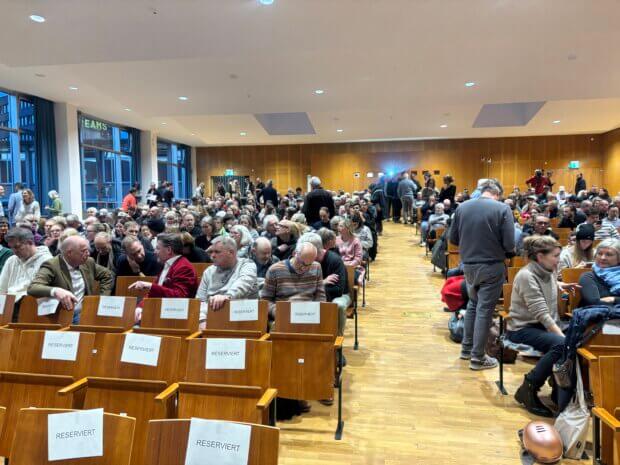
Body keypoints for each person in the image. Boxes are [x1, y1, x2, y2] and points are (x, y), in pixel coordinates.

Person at [507, 236, 578, 417]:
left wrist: (560, 284)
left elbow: (548, 282)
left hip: (542, 327)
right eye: (555, 256)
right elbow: (542, 314)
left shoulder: (549, 270)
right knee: (561, 344)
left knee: (580, 335)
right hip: (522, 328)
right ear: (540, 256)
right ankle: (528, 388)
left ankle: (559, 388)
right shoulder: (526, 276)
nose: (558, 259)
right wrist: (562, 337)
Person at [449, 179, 515, 370]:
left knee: (473, 305)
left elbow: (453, 239)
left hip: (468, 265)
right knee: (484, 310)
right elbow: (509, 243)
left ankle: (466, 349)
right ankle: (478, 358)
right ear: (497, 193)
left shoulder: (462, 207)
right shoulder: (503, 208)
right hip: (492, 265)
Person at [27, 235, 113, 323]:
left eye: (87, 250)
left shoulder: (88, 262)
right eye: (83, 251)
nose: (88, 253)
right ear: (69, 253)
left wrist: (102, 299)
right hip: (62, 315)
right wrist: (56, 291)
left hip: (84, 313)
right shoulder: (52, 265)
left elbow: (107, 274)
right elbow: (33, 287)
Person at [195, 236, 258, 326]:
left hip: (241, 317)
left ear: (231, 253)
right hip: (211, 319)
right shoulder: (208, 271)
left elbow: (243, 284)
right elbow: (200, 301)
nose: (212, 256)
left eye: (217, 252)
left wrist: (227, 296)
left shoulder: (247, 265)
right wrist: (202, 320)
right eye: (211, 252)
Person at [128, 233, 197, 308]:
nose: (155, 252)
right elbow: (153, 293)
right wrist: (140, 308)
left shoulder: (184, 267)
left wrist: (149, 285)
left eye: (158, 248)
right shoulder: (166, 264)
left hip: (175, 312)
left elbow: (179, 297)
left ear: (169, 250)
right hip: (160, 309)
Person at [260, 241, 326, 318]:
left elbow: (321, 296)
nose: (304, 268)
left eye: (309, 264)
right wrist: (276, 311)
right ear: (294, 253)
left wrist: (316, 313)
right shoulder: (275, 270)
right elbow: (265, 300)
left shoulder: (316, 267)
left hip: (308, 314)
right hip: (284, 314)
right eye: (302, 263)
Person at [0, 228, 52, 321]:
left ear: (30, 242)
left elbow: (39, 290)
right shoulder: (11, 260)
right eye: (11, 247)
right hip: (9, 307)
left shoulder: (46, 260)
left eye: (17, 247)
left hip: (33, 308)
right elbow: (2, 289)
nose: (14, 251)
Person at [313, 229, 350, 336]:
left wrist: (316, 287)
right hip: (318, 293)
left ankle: (337, 339)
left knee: (339, 305)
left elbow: (338, 290)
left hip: (340, 295)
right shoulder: (307, 261)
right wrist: (322, 283)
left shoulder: (335, 260)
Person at [578, 239, 620, 306]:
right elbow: (594, 302)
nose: (603, 258)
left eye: (609, 254)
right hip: (601, 312)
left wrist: (614, 299)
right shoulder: (588, 277)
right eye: (600, 254)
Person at [336, 217, 364, 285]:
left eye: (341, 226)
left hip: (352, 267)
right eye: (338, 226)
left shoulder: (356, 240)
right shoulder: (336, 239)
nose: (338, 228)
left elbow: (358, 258)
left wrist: (349, 266)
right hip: (338, 266)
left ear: (347, 228)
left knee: (349, 277)